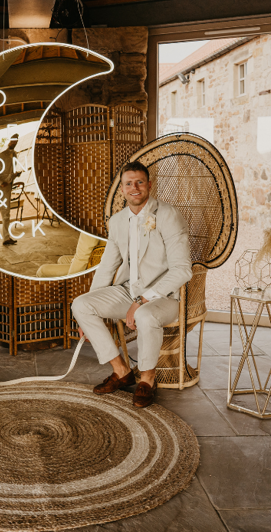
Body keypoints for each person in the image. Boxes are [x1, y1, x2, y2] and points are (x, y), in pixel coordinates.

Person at [70, 161, 192, 409]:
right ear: (122, 189)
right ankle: (122, 371)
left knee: (146, 316)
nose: (134, 188)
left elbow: (183, 269)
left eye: (139, 182)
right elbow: (107, 266)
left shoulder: (168, 215)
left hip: (164, 297)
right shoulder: (116, 221)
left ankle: (147, 380)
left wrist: (141, 301)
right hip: (128, 291)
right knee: (81, 305)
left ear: (149, 185)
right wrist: (89, 317)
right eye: (128, 183)